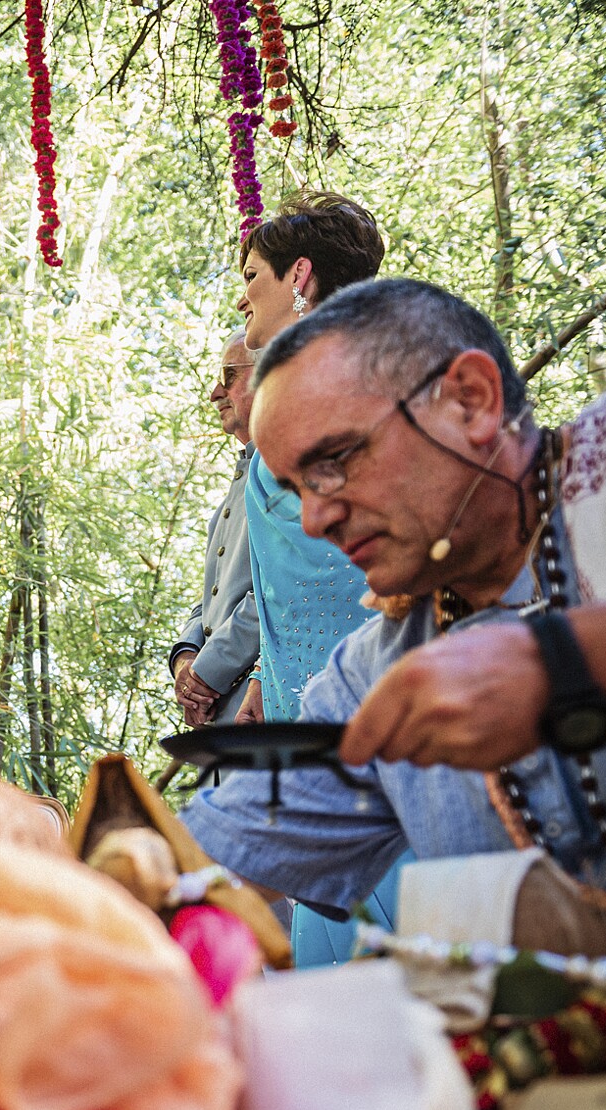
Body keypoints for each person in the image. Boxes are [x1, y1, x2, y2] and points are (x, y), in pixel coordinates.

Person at [181, 278, 606, 1023]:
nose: (314, 518)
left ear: (473, 400)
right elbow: (211, 856)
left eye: (333, 462)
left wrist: (570, 667)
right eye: (293, 488)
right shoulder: (380, 675)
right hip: (591, 1104)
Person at [233, 191, 385, 726]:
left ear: (298, 275)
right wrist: (259, 674)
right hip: (286, 692)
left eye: (251, 276)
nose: (241, 299)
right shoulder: (287, 390)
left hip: (370, 687)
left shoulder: (367, 384)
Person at [170, 333, 260, 730]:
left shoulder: (290, 474)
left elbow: (281, 594)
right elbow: (211, 598)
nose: (214, 392)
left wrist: (207, 673)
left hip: (262, 712)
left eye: (229, 375)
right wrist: (186, 659)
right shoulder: (242, 480)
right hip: (220, 718)